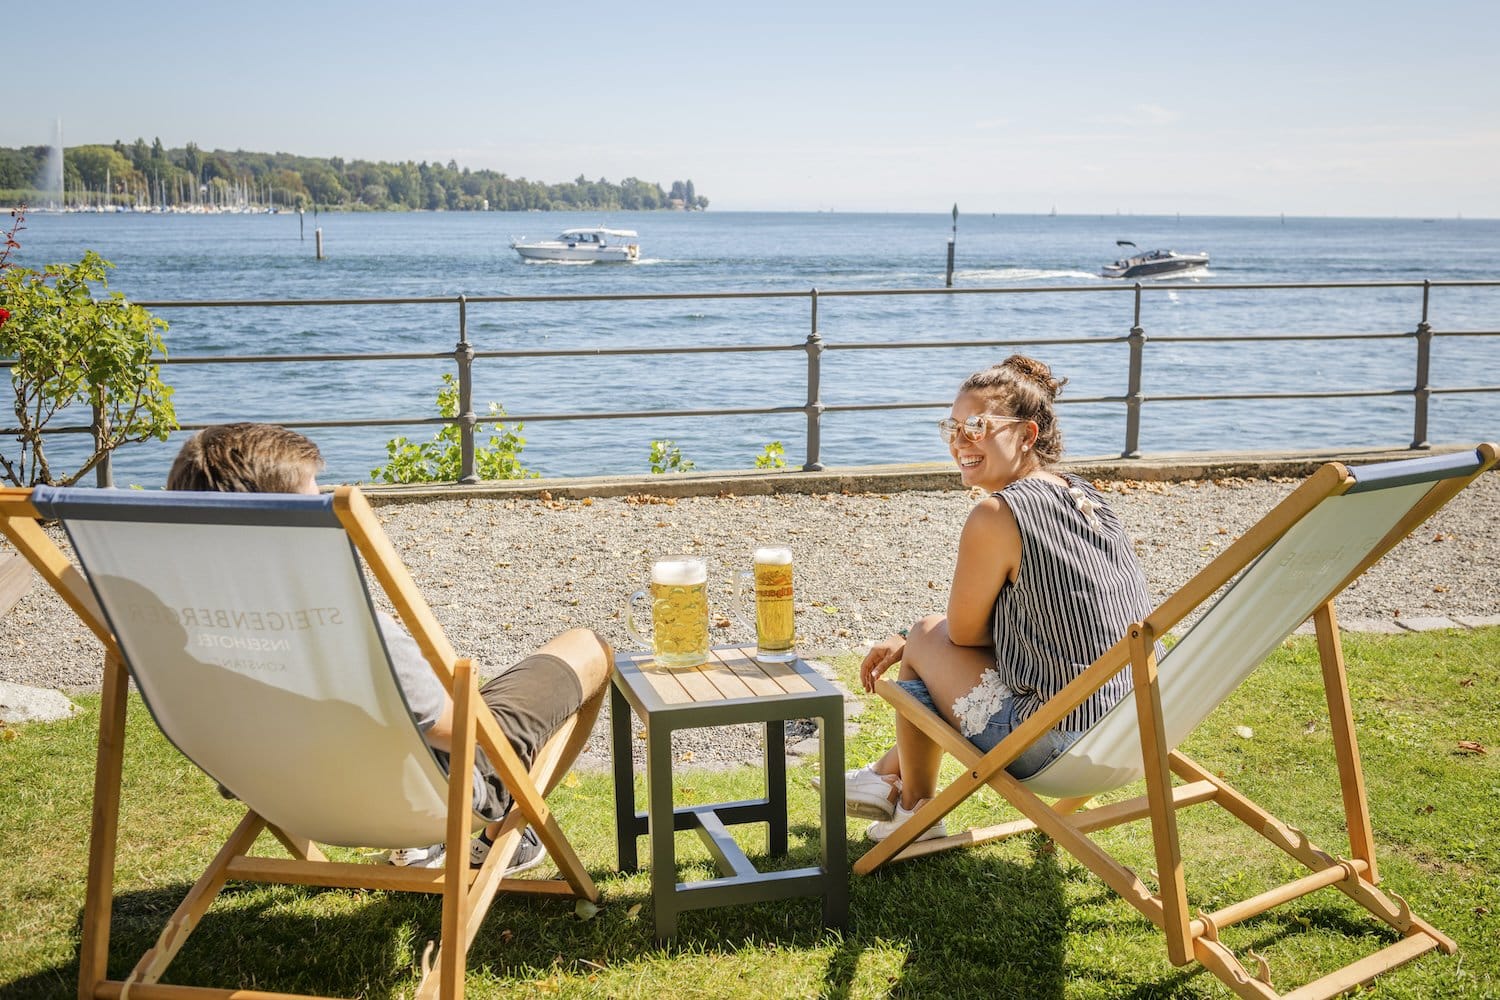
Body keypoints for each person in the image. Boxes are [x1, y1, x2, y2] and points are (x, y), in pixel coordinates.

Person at [167, 423, 611, 871]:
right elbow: (463, 732)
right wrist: (460, 692)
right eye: (315, 501)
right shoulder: (336, 621)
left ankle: (418, 849)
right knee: (588, 648)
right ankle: (500, 840)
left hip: (279, 794)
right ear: (286, 523)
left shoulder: (173, 622)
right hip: (420, 802)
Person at [850, 356, 1155, 842]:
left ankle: (915, 809)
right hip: (1134, 730)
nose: (959, 439)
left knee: (926, 637)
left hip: (1061, 744)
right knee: (925, 636)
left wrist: (909, 639)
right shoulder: (1086, 495)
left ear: (1027, 435)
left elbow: (965, 633)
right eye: (952, 426)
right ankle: (885, 775)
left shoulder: (997, 514)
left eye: (976, 425)